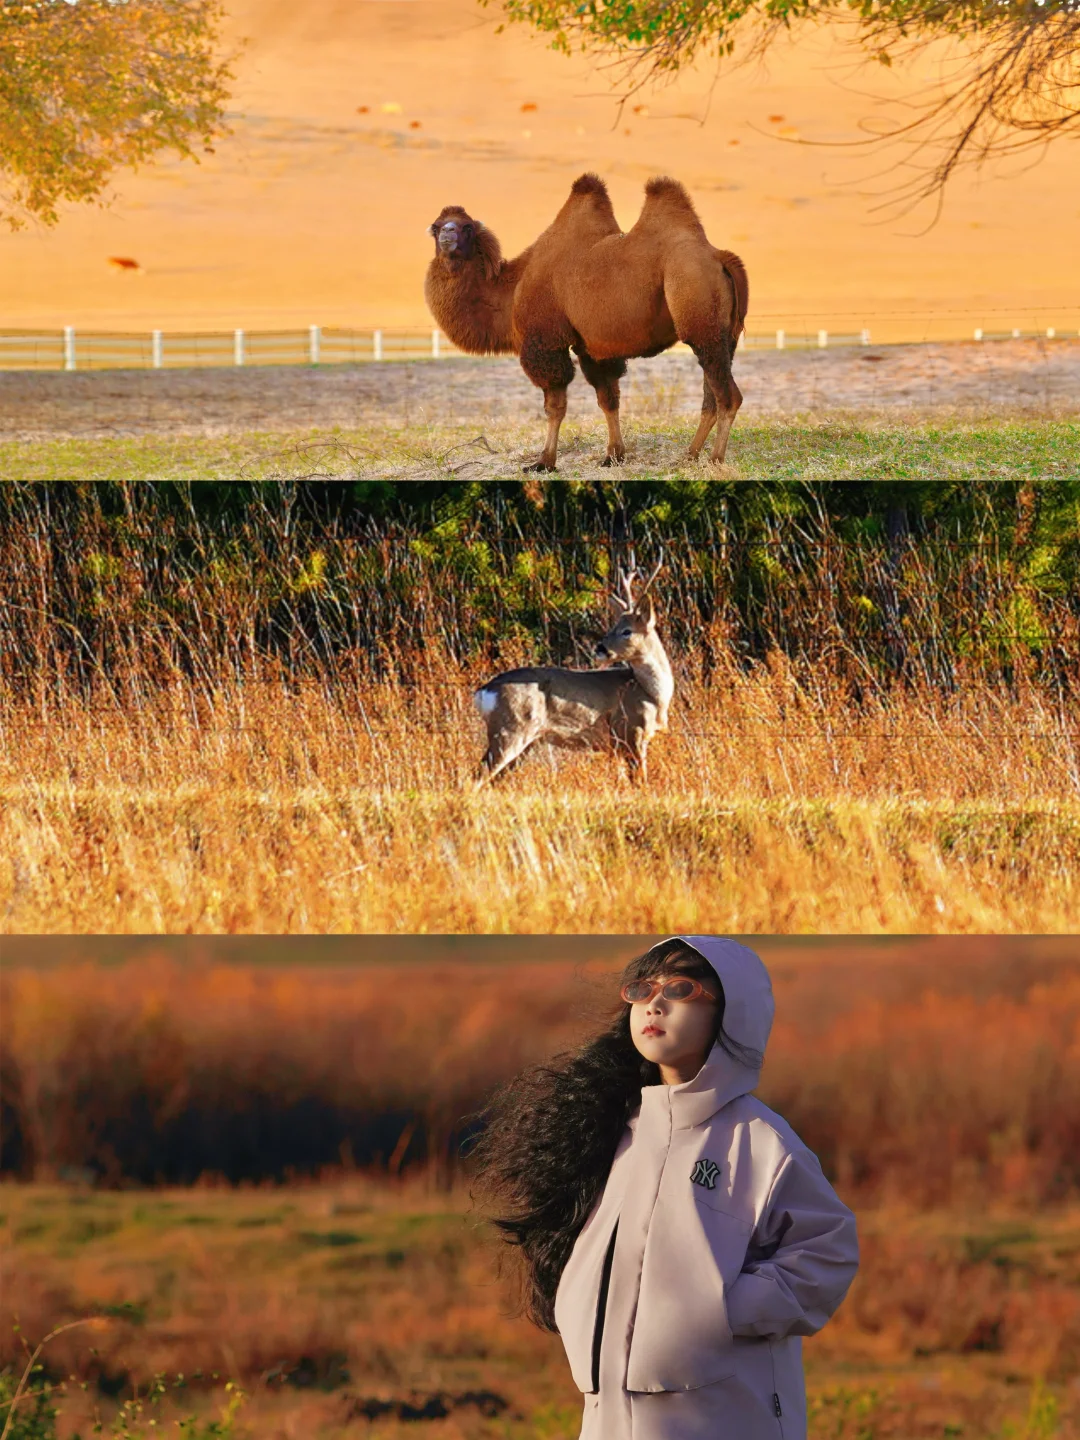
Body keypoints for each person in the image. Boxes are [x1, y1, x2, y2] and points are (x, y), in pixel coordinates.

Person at [472, 935, 859, 1440]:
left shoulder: (759, 1140)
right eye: (641, 988)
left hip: (722, 1416)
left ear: (732, 1011)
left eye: (680, 988)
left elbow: (826, 1252)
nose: (654, 1003)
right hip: (607, 1415)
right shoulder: (614, 1131)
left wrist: (721, 1309)